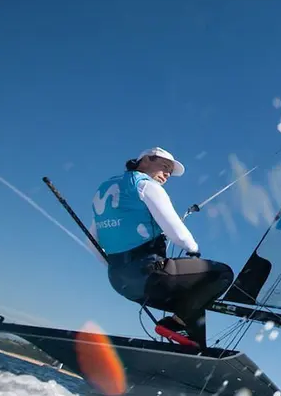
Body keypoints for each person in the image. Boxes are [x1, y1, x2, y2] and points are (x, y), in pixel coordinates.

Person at [90, 147, 233, 348]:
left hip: (120, 282)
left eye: (170, 172)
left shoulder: (108, 190)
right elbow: (175, 228)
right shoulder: (146, 186)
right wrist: (193, 251)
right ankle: (176, 326)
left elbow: (93, 241)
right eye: (164, 167)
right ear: (146, 160)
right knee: (220, 274)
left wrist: (119, 267)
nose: (167, 175)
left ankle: (194, 345)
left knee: (192, 299)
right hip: (150, 276)